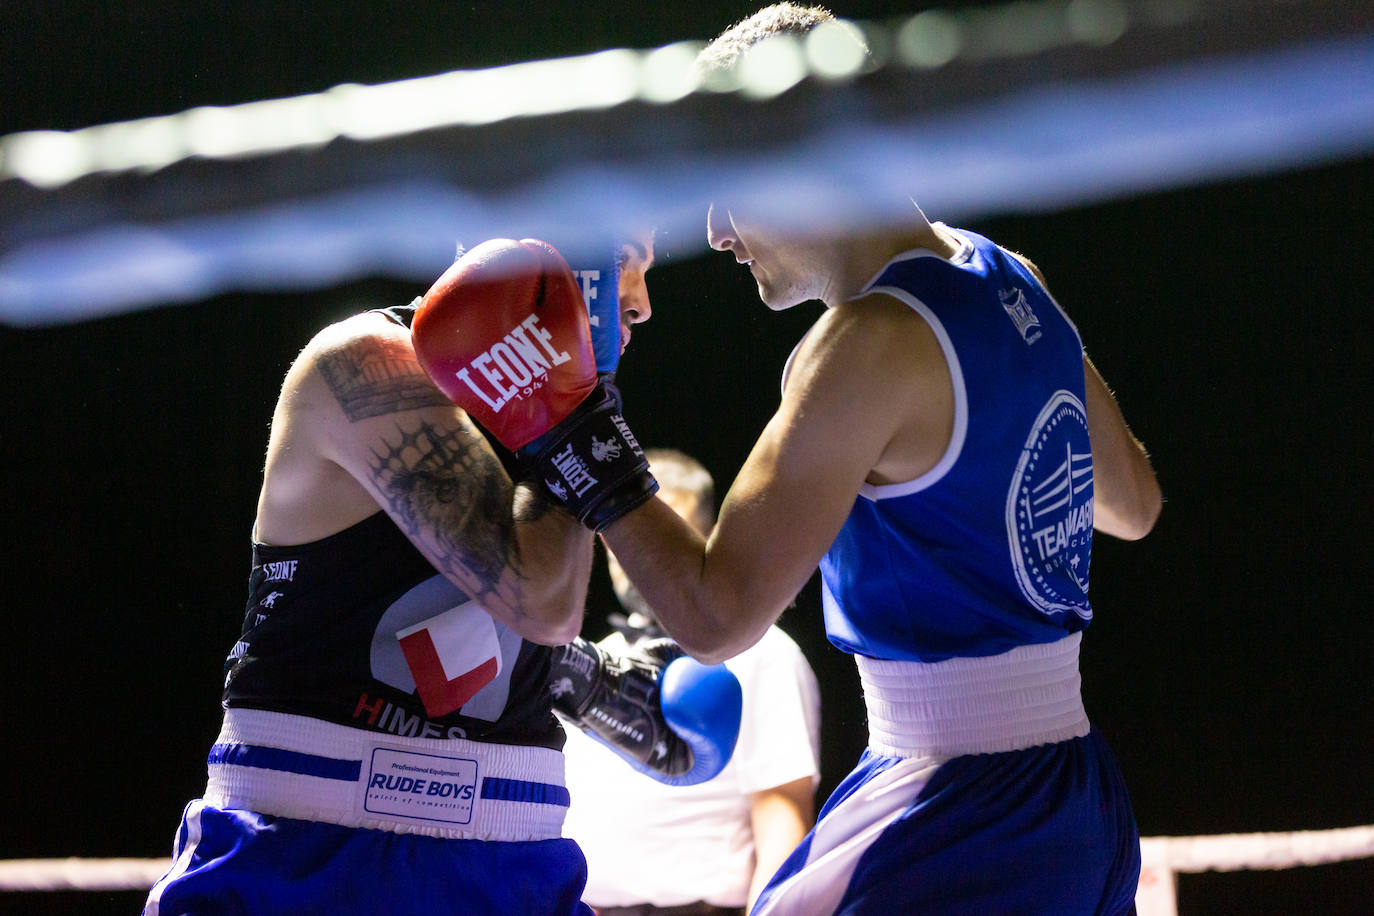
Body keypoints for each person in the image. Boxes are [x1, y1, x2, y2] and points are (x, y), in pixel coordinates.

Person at [598, 5, 1164, 914]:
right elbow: (1134, 506)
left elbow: (713, 618)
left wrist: (573, 439)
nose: (714, 230)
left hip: (959, 809)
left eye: (721, 183)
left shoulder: (860, 345)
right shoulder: (1011, 276)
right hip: (1078, 795)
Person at [142, 233, 731, 916]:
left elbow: (500, 612)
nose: (644, 303)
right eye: (626, 257)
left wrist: (578, 677)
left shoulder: (537, 412)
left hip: (518, 855)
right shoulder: (365, 366)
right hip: (312, 856)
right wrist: (578, 408)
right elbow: (537, 602)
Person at [562, 449, 823, 916]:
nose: (638, 555)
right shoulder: (597, 658)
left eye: (659, 537)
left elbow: (783, 814)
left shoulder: (759, 651)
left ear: (703, 539)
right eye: (621, 537)